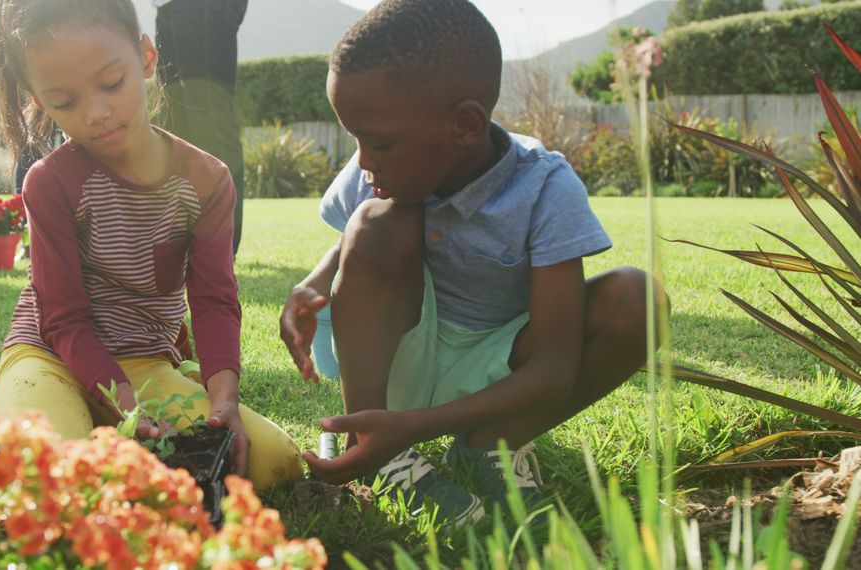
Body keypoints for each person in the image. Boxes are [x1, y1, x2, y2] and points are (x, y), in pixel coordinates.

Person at [280, 0, 664, 524]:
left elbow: (554, 366)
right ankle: (368, 439)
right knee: (381, 220)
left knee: (638, 299)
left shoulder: (545, 189)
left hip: (497, 369)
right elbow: (358, 239)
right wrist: (313, 282)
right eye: (356, 139)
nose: (362, 160)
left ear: (463, 125)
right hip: (396, 359)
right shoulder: (380, 165)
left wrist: (423, 425)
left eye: (378, 143)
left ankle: (491, 443)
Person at [0, 0, 301, 490]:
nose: (97, 112)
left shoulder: (207, 181)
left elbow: (214, 301)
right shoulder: (50, 183)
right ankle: (82, 426)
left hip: (144, 361)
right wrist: (126, 409)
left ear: (146, 57)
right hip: (48, 360)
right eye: (65, 102)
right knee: (46, 478)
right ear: (41, 103)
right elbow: (63, 319)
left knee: (274, 463)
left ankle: (119, 429)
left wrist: (223, 402)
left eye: (112, 83)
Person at [154, 0, 248, 254]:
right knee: (173, 124)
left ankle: (220, 251)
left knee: (211, 122)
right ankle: (181, 244)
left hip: (203, 5)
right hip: (166, 7)